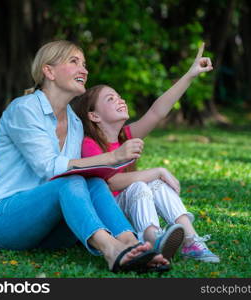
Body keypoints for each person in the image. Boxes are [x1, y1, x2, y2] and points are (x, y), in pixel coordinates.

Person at [0, 40, 170, 273]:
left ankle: (132, 244)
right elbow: (49, 168)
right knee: (70, 180)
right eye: (74, 62)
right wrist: (112, 157)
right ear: (49, 71)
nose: (84, 70)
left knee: (93, 182)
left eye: (85, 64)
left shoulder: (76, 123)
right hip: (2, 223)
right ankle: (111, 249)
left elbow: (81, 175)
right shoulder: (24, 109)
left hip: (48, 231)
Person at [72, 43, 220, 263]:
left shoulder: (126, 136)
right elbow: (111, 183)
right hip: (112, 217)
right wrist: (158, 170)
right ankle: (151, 239)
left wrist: (190, 75)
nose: (120, 100)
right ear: (93, 116)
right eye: (110, 99)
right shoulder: (90, 144)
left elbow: (157, 111)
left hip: (132, 207)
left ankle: (191, 240)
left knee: (156, 185)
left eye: (119, 96)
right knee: (142, 183)